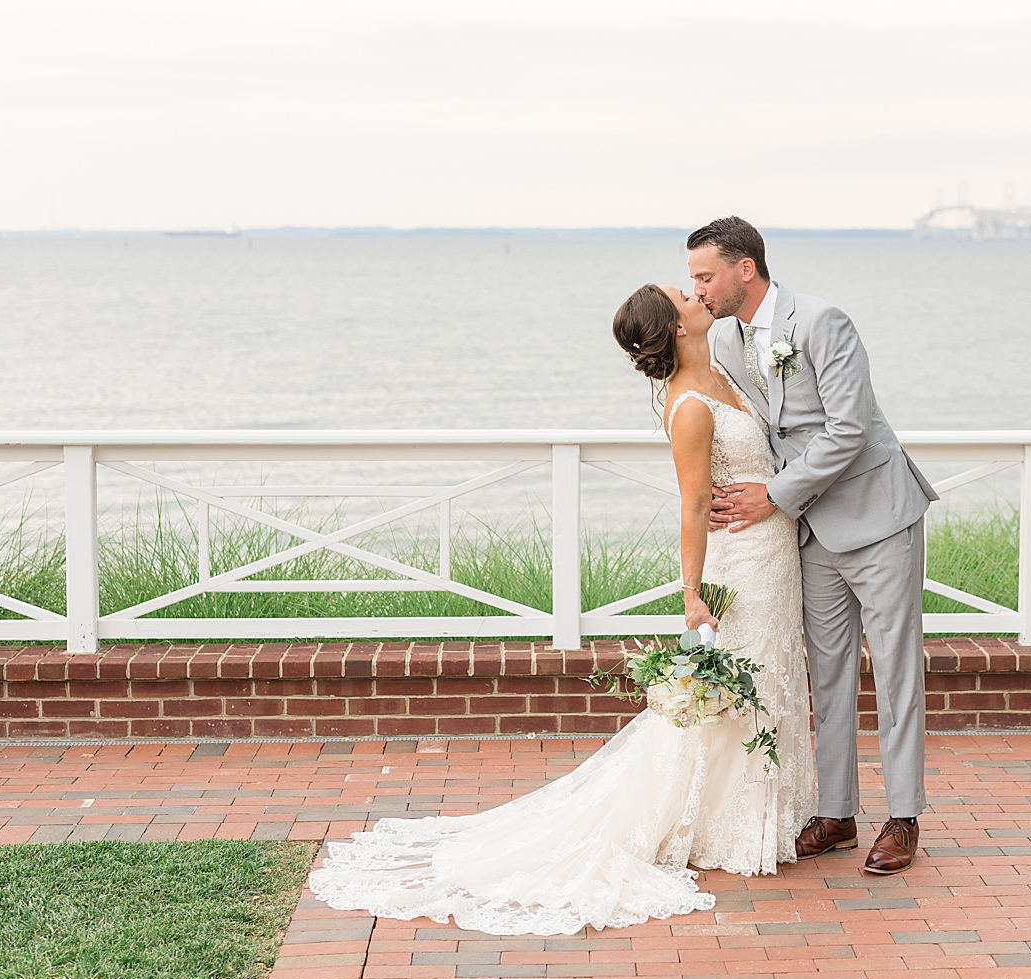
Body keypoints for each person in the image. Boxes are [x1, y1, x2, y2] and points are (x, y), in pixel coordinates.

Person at [306, 280, 816, 935]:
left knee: (770, 680)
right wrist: (690, 593)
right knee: (736, 690)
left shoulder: (724, 367)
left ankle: (770, 814)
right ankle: (728, 827)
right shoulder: (689, 405)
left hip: (773, 555)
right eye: (682, 294)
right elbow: (691, 504)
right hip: (737, 562)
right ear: (678, 325)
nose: (695, 292)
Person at [687, 216, 938, 876]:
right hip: (811, 531)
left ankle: (905, 818)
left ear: (746, 269)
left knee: (894, 671)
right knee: (824, 675)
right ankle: (836, 815)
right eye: (693, 279)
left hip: (877, 517)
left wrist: (774, 495)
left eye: (705, 275)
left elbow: (850, 428)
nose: (700, 289)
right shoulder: (732, 339)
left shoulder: (824, 322)